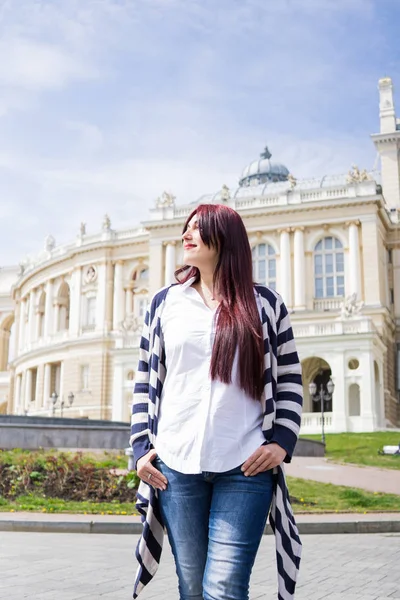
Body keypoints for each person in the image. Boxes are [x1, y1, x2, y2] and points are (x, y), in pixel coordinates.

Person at [130, 204, 303, 600]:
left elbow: (291, 377)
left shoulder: (265, 305)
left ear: (224, 239)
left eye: (198, 229)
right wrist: (140, 449)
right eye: (185, 228)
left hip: (244, 465)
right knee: (191, 587)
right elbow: (145, 380)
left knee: (223, 588)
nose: (186, 235)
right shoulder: (164, 303)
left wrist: (281, 441)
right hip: (176, 465)